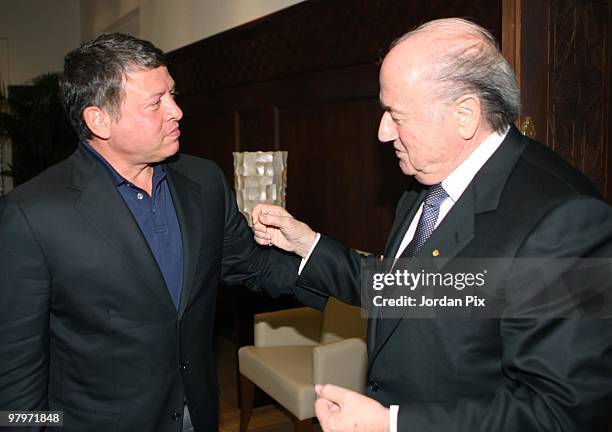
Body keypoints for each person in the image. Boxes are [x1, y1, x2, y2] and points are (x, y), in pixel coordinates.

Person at [252, 18, 612, 432]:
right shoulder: (428, 182)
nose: (383, 132)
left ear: (464, 116)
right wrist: (309, 245)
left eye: (396, 114)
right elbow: (414, 292)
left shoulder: (567, 220)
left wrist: (393, 424)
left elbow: (562, 415)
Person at [0, 33, 324, 432]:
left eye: (172, 94)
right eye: (156, 103)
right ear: (99, 120)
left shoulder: (203, 181)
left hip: (198, 415)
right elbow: (16, 374)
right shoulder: (32, 214)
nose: (177, 111)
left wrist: (375, 282)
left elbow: (256, 265)